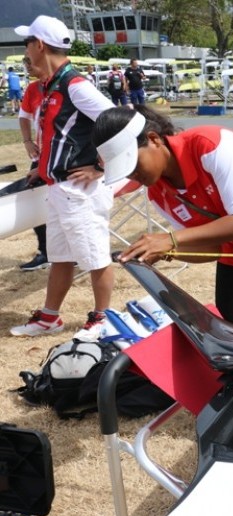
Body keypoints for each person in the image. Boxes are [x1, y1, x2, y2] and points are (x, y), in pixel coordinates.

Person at [92, 106, 233, 327]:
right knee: (230, 334)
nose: (134, 175)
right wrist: (168, 251)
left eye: (133, 164)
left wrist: (171, 239)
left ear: (154, 140)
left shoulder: (211, 145)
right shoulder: (159, 194)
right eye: (126, 171)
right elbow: (213, 248)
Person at [9, 15, 116, 340]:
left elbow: (121, 121)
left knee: (95, 256)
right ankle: (49, 317)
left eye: (28, 44)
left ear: (39, 45)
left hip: (79, 190)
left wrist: (101, 167)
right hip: (59, 188)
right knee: (60, 257)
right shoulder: (50, 84)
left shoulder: (74, 85)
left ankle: (102, 319)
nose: (26, 52)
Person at [17, 55, 49, 271]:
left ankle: (71, 253)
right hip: (40, 159)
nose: (27, 67)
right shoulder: (32, 88)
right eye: (25, 64)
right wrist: (28, 141)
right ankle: (45, 252)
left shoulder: (67, 86)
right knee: (35, 205)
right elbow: (23, 116)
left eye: (29, 63)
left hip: (61, 160)